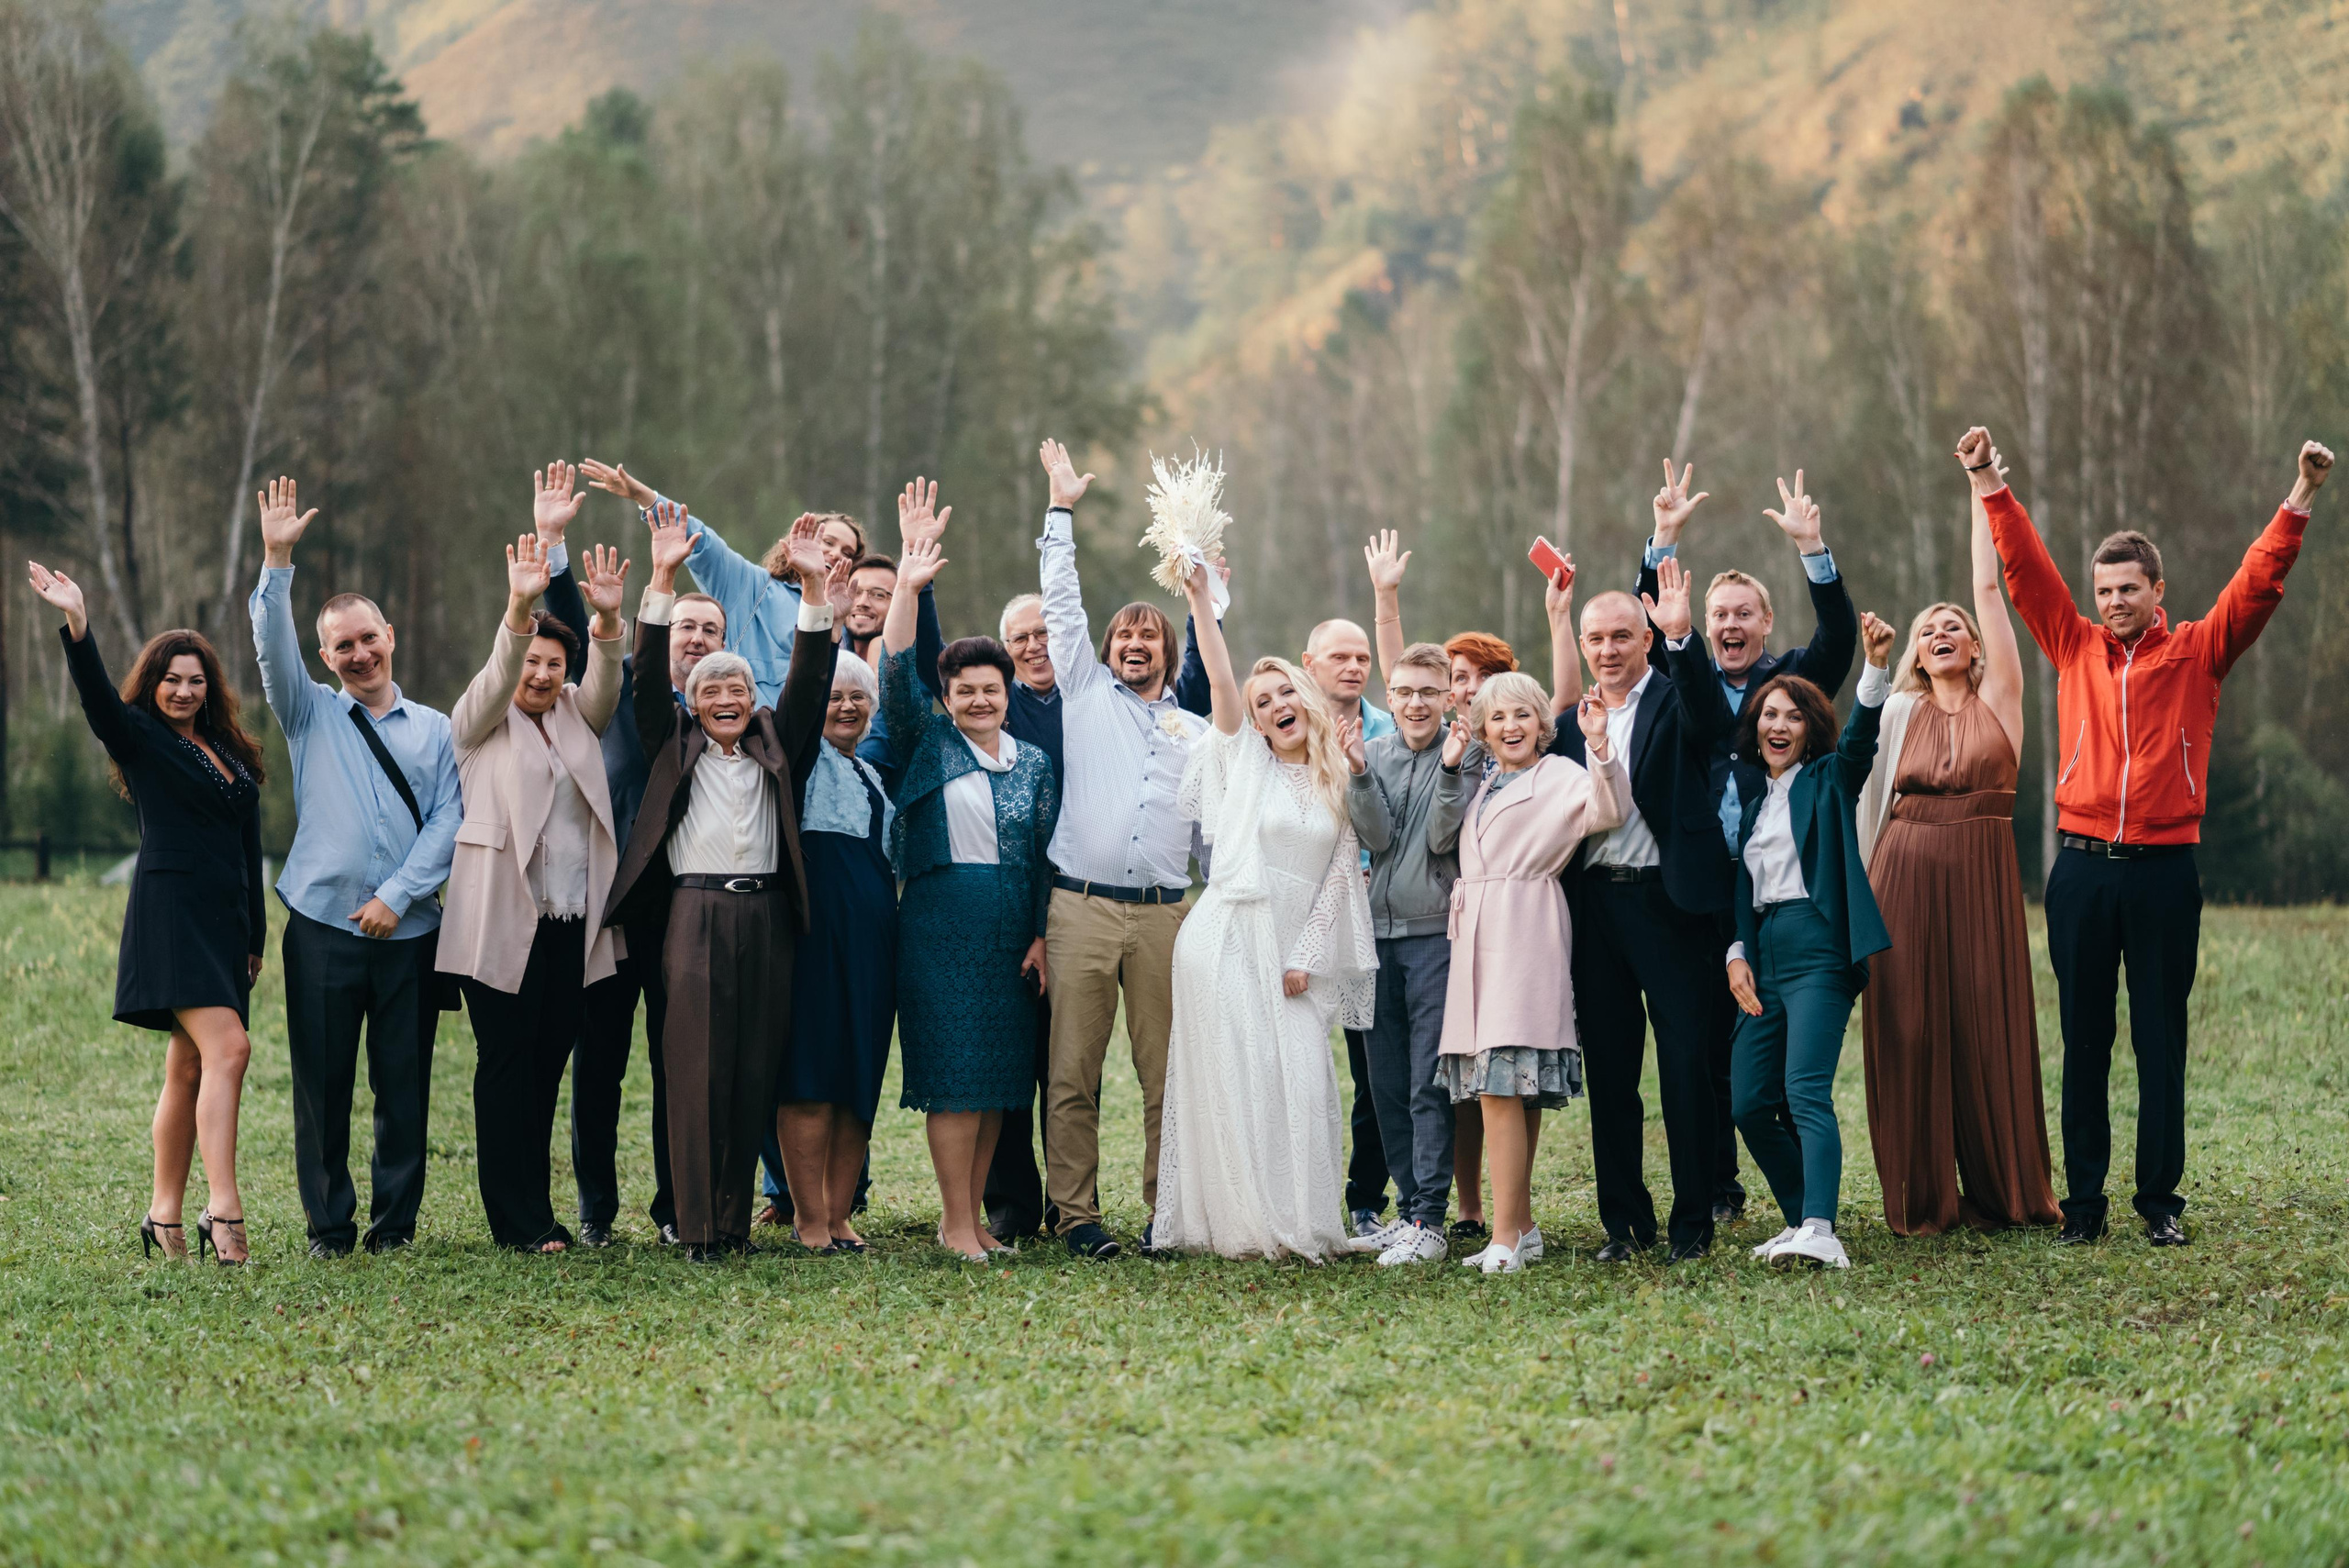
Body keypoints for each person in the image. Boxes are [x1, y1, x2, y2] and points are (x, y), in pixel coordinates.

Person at [1963, 425, 2335, 1247]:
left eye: (2129, 589)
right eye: (2105, 590)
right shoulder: (2073, 646)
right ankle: (2084, 1207)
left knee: (2161, 1038)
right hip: (2083, 872)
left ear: (2158, 592)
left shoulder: (2200, 651)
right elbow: (2024, 573)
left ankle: (2159, 1203)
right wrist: (1989, 477)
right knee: (2085, 1039)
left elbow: (2258, 583)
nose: (2114, 602)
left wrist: (2300, 495)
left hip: (2165, 871)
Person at [602, 505, 835, 1262]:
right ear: (694, 703)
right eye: (711, 690)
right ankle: (697, 1227)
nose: (726, 696)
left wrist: (812, 587)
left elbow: (810, 676)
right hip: (692, 914)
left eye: (736, 684)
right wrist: (662, 577)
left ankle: (732, 1223)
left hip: (767, 916)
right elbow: (642, 680)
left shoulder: (776, 743)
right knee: (696, 1069)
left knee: (750, 1068)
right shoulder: (671, 742)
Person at [1638, 459, 1857, 1226]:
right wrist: (1662, 539)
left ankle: (1809, 1203)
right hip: (1700, 891)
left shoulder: (1791, 689)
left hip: (1778, 897)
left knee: (1770, 1053)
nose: (1727, 625)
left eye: (1742, 615)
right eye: (1718, 614)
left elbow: (1837, 638)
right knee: (1704, 1048)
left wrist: (1813, 552)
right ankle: (1723, 1187)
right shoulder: (1684, 683)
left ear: (1765, 624)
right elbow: (1662, 624)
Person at [250, 476, 460, 1259]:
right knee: (323, 1089)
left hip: (410, 935)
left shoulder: (436, 730)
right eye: (343, 646)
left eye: (368, 638)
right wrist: (277, 560)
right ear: (325, 656)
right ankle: (329, 1228)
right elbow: (269, 646)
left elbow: (451, 819)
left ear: (390, 635)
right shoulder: (307, 713)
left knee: (402, 1087)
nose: (360, 653)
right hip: (322, 929)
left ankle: (394, 1226)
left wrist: (400, 897)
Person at [31, 564, 264, 1265]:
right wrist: (78, 623)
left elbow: (248, 846)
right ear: (153, 683)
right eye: (172, 679)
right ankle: (222, 1210)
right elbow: (99, 700)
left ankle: (163, 1218)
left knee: (190, 1066)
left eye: (195, 679)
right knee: (231, 1050)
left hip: (224, 925)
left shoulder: (228, 749)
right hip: (170, 916)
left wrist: (254, 934)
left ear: (209, 685)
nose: (184, 690)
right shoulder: (136, 734)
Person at [1156, 557, 1378, 1261]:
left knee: (1302, 1075)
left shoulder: (1337, 772)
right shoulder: (1241, 761)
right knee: (1239, 1072)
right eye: (1262, 701)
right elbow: (1220, 679)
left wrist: (1307, 956)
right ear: (1251, 720)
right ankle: (1242, 1223)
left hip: (1291, 945)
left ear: (1306, 696)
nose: (1275, 704)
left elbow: (1342, 875)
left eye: (1286, 691)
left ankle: (1301, 1216)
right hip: (1227, 931)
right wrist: (1201, 600)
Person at [1857, 464, 2059, 1236]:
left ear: (1974, 649)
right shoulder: (1899, 711)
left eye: (1952, 628)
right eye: (1925, 631)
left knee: (1984, 1022)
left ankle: (2008, 1191)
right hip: (1902, 871)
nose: (1940, 633)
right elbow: (1864, 794)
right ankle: (1920, 1195)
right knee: (1908, 1025)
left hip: (1978, 876)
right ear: (1916, 654)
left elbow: (1989, 590)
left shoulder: (2000, 701)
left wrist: (1983, 492)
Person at [438, 499, 629, 1254]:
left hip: (570, 923)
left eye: (555, 663)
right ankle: (514, 1219)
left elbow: (607, 683)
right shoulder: (480, 720)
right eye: (532, 661)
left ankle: (537, 1209)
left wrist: (607, 623)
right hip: (500, 920)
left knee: (548, 1065)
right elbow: (496, 673)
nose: (542, 673)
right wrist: (522, 603)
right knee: (507, 1064)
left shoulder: (580, 715)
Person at [1034, 438, 1209, 1260]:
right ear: (1105, 652)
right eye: (1123, 638)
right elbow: (1061, 604)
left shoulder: (1196, 733)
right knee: (1072, 1070)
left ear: (1169, 656)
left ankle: (1163, 1211)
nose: (1135, 646)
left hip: (1166, 918)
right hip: (1082, 907)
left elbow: (1220, 831)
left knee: (1165, 1077)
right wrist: (1060, 511)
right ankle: (1077, 1216)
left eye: (1150, 639)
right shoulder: (1082, 694)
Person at [539, 470, 723, 1247]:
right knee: (601, 1063)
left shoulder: (726, 714)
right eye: (686, 628)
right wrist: (552, 547)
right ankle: (595, 1209)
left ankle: (677, 1207)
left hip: (687, 911)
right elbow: (578, 626)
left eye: (711, 632)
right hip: (611, 907)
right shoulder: (610, 694)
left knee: (678, 1066)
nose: (697, 639)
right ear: (663, 633)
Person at [1549, 558, 1742, 1263]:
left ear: (1645, 638)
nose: (1607, 649)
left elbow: (1718, 723)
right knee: (1611, 1070)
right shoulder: (1572, 721)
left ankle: (1694, 1224)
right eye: (1595, 638)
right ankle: (1623, 1225)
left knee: (1687, 1065)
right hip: (1595, 907)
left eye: (1622, 636)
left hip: (1672, 902)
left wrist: (1686, 634)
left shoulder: (1677, 698)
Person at [879, 536, 1058, 1261]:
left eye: (991, 687)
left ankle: (979, 1220)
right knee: (955, 1079)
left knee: (995, 1079)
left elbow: (1046, 857)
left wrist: (1043, 934)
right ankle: (955, 1222)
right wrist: (907, 588)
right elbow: (895, 670)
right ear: (947, 697)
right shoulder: (927, 740)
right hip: (940, 929)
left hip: (1013, 934)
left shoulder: (1035, 762)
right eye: (965, 690)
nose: (979, 699)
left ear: (1007, 691)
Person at [1704, 617, 1897, 1271]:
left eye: (1790, 716)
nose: (1776, 725)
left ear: (1810, 728)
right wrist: (1736, 954)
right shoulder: (1755, 801)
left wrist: (1873, 667)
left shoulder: (1826, 781)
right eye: (1767, 715)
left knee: (1805, 1088)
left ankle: (1822, 1225)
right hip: (1766, 954)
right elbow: (1742, 890)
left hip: (1819, 947)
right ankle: (1800, 1218)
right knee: (1750, 1099)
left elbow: (1861, 744)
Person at [1438, 674, 1628, 1274]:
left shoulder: (1560, 776)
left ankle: (1503, 1237)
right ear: (1484, 729)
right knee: (1508, 1086)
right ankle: (1520, 1226)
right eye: (1498, 718)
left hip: (1523, 929)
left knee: (1500, 1083)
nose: (1511, 727)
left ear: (1542, 722)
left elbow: (1609, 808)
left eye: (1522, 714)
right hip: (1478, 932)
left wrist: (1599, 746)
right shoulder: (1487, 779)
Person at [1342, 641, 1466, 1265]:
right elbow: (1378, 837)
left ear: (1448, 696)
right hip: (1374, 937)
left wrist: (1448, 768)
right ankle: (1409, 1206)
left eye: (1428, 692)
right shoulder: (1374, 753)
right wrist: (1361, 772)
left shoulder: (1464, 755)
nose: (1416, 703)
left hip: (1433, 936)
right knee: (1384, 1082)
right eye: (1405, 692)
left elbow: (1444, 836)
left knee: (1425, 1082)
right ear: (1389, 698)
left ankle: (1430, 1219)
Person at [776, 639, 896, 1253]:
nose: (847, 707)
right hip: (814, 942)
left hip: (873, 949)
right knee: (812, 1077)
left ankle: (840, 1213)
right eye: (835, 696)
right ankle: (809, 1217)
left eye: (858, 697)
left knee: (857, 1079)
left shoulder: (872, 773)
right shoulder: (799, 761)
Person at [579, 455, 865, 706]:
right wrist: (646, 498)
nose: (835, 554)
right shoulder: (755, 588)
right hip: (739, 742)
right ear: (801, 539)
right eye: (828, 541)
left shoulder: (848, 628)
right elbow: (705, 546)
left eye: (848, 553)